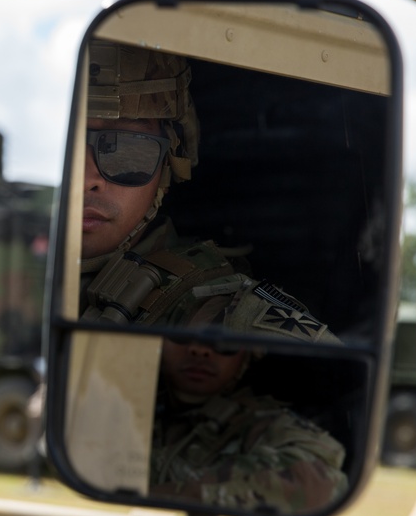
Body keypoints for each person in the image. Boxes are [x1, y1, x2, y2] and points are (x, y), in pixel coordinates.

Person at [80, 39, 337, 344]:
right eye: (64, 145)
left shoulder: (229, 322)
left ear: (172, 157)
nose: (85, 179)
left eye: (124, 148)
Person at [147, 299, 348, 513]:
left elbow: (315, 484)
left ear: (247, 355)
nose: (199, 350)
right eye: (181, 336)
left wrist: (160, 497)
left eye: (223, 343)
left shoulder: (264, 423)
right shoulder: (127, 409)